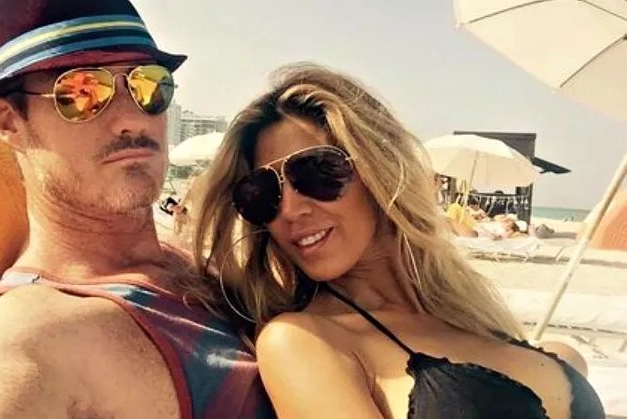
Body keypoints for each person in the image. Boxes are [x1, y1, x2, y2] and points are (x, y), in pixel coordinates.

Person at [0, 1, 274, 418]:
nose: (132, 119)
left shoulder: (197, 259)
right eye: (84, 92)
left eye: (148, 86)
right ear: (8, 122)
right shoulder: (32, 340)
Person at [190, 64, 604, 418]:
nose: (290, 210)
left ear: (380, 168)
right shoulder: (305, 341)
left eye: (318, 172)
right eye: (262, 193)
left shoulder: (468, 313)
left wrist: (563, 360)